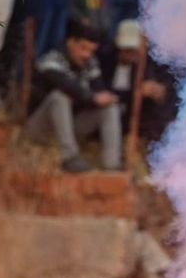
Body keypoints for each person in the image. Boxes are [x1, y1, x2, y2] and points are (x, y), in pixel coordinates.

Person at [25, 19, 121, 173]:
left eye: (91, 51)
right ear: (71, 42)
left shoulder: (90, 64)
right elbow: (67, 86)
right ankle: (69, 157)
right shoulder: (52, 60)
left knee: (110, 106)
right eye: (83, 48)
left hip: (70, 126)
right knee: (59, 97)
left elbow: (99, 91)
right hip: (41, 128)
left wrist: (104, 98)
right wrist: (92, 97)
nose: (86, 55)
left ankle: (112, 164)